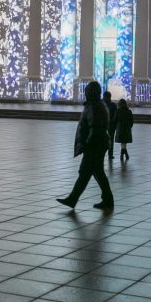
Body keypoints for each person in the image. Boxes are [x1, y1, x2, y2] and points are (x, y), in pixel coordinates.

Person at [57, 81, 114, 209]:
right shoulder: (97, 105)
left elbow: (95, 127)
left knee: (85, 172)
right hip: (99, 143)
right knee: (96, 172)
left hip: (94, 144)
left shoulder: (94, 106)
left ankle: (73, 199)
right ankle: (106, 199)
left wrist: (86, 144)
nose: (85, 93)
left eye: (87, 91)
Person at [103, 91, 118, 159]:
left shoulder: (101, 104)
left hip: (101, 125)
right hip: (111, 125)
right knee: (111, 140)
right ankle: (110, 154)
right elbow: (115, 116)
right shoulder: (113, 105)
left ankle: (102, 153)